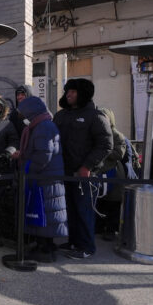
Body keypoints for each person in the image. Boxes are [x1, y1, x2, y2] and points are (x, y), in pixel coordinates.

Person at [53, 78, 113, 260]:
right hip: (64, 172)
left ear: (83, 93)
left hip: (84, 175)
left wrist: (87, 166)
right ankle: (73, 242)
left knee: (83, 210)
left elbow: (105, 144)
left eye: (73, 91)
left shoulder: (96, 116)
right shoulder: (62, 115)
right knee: (70, 209)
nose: (68, 94)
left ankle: (87, 246)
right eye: (67, 91)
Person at [17, 96, 67, 263]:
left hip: (44, 179)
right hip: (49, 177)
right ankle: (46, 245)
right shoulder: (44, 123)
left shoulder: (42, 127)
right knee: (48, 213)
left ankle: (44, 249)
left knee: (43, 213)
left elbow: (43, 154)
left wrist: (29, 169)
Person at [96, 108, 127, 241]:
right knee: (99, 202)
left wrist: (104, 151)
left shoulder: (118, 135)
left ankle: (110, 229)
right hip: (99, 173)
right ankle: (99, 227)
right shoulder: (96, 133)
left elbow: (119, 154)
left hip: (113, 173)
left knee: (113, 204)